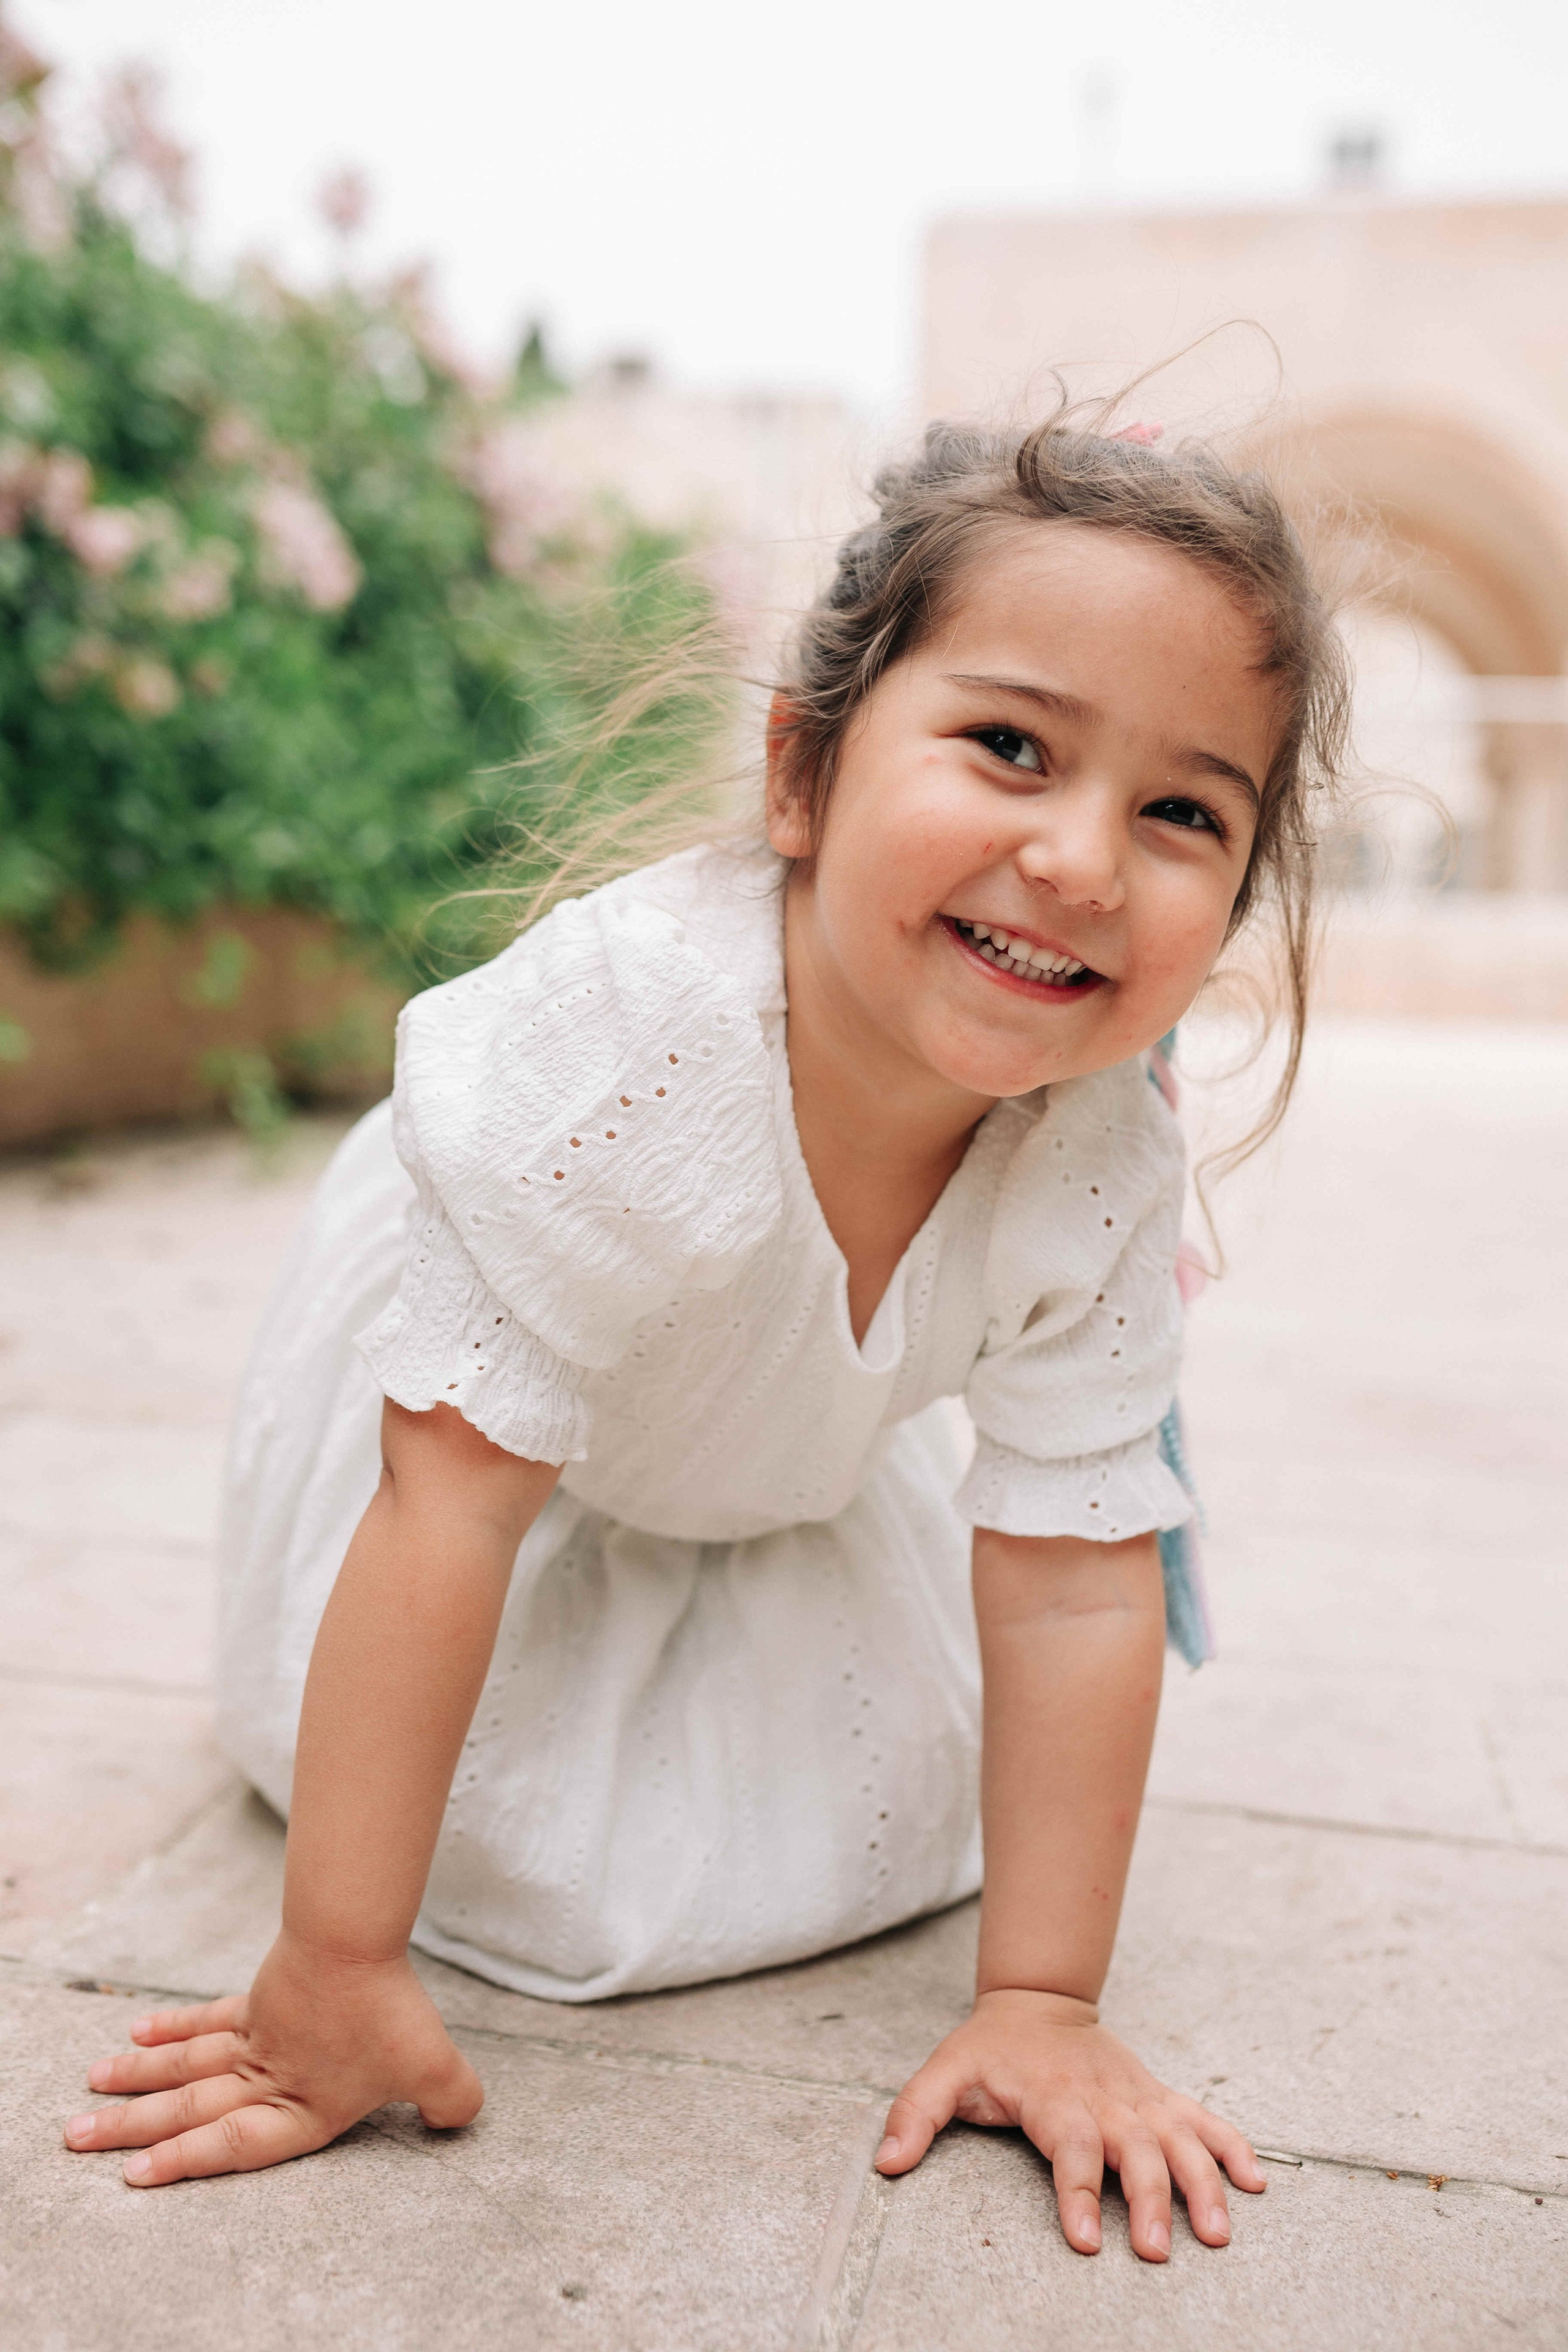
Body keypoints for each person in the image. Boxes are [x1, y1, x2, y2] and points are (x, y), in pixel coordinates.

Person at [66, 409, 1347, 2262]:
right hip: (475, 1420)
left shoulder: (1096, 1146)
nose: (1078, 858)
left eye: (1180, 812)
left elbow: (1076, 1579)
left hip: (760, 1429)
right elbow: (447, 1509)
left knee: (881, 1801)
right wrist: (331, 1968)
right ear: (804, 776)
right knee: (520, 1833)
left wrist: (1042, 2003)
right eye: (1009, 747)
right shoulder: (636, 1051)